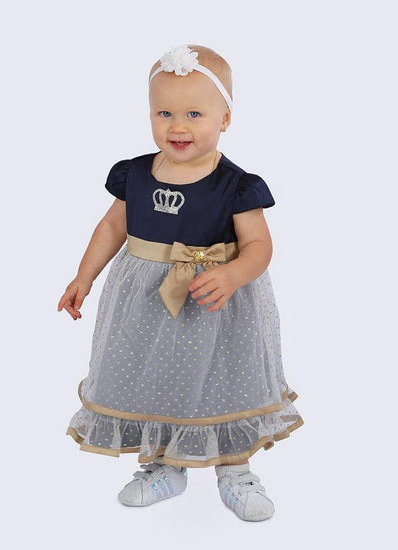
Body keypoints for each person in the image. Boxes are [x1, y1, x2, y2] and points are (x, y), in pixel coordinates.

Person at [59, 43, 304, 522]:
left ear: (225, 118)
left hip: (215, 306)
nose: (178, 126)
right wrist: (83, 277)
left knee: (223, 382)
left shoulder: (236, 185)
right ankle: (165, 464)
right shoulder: (134, 174)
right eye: (164, 113)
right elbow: (111, 227)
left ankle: (235, 470)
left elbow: (259, 246)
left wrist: (232, 273)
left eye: (194, 113)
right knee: (153, 376)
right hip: (145, 305)